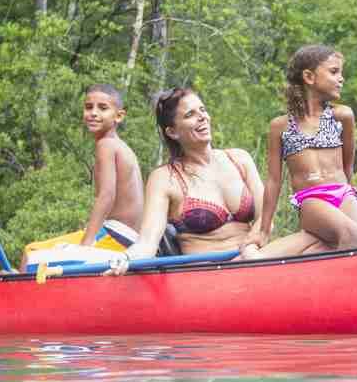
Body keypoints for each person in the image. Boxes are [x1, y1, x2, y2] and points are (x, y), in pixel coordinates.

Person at [103, 86, 264, 276]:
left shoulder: (240, 159)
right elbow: (147, 242)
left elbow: (266, 218)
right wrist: (127, 258)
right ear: (172, 132)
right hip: (206, 274)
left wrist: (250, 249)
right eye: (190, 114)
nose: (202, 117)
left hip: (253, 261)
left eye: (202, 110)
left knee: (308, 240)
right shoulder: (164, 178)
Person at [252, 44, 357, 257]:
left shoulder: (343, 116)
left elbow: (347, 167)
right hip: (311, 199)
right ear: (309, 76)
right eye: (334, 72)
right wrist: (263, 230)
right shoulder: (280, 126)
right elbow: (273, 181)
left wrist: (352, 201)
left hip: (343, 193)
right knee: (352, 235)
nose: (341, 78)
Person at [23, 83, 146, 267]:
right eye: (89, 107)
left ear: (119, 116)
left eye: (103, 108)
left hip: (117, 237)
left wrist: (86, 243)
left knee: (31, 253)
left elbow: (106, 195)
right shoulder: (122, 147)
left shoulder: (106, 145)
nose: (94, 113)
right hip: (129, 236)